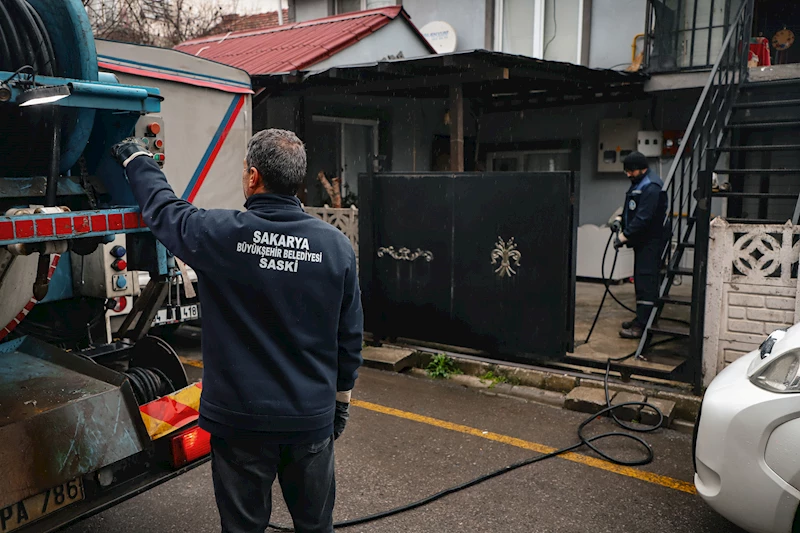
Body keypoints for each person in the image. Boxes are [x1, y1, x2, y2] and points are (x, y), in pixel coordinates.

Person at [111, 129, 364, 533]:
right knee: (316, 526)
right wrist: (340, 403)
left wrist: (137, 158)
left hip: (240, 423)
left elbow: (164, 209)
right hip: (309, 420)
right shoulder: (335, 247)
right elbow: (349, 340)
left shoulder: (220, 234)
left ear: (253, 176)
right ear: (298, 179)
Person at [612, 151, 668, 340]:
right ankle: (643, 318)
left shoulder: (651, 187)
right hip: (642, 242)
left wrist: (624, 236)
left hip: (651, 242)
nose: (628, 174)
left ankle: (643, 326)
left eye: (631, 171)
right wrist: (620, 219)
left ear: (642, 168)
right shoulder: (639, 184)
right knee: (641, 280)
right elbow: (631, 207)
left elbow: (644, 218)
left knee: (646, 282)